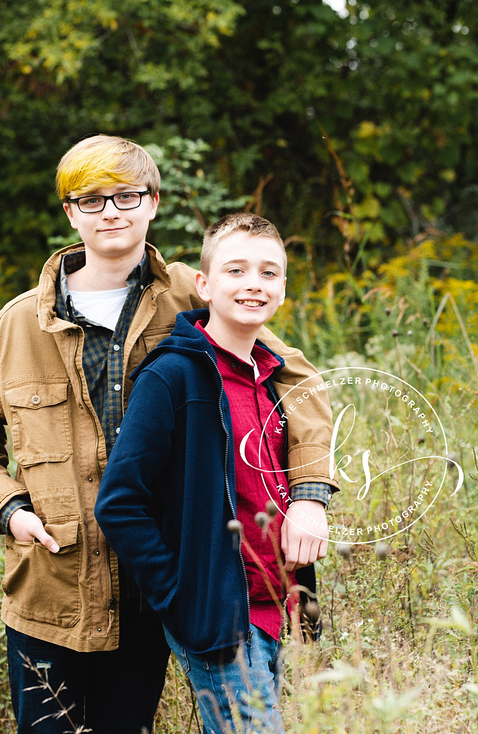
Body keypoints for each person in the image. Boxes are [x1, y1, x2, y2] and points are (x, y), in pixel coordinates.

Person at [0, 136, 337, 734]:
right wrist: (9, 509)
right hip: (53, 587)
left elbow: (297, 381)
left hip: (154, 583)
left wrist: (309, 497)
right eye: (92, 199)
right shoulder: (20, 322)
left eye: (127, 196)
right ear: (70, 212)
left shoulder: (194, 291)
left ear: (153, 202)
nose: (111, 211)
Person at [95, 213, 332, 734]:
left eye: (269, 273)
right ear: (203, 284)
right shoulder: (173, 376)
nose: (254, 284)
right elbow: (119, 502)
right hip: (223, 615)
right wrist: (182, 598)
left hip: (287, 606)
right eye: (236, 270)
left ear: (284, 289)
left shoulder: (271, 378)